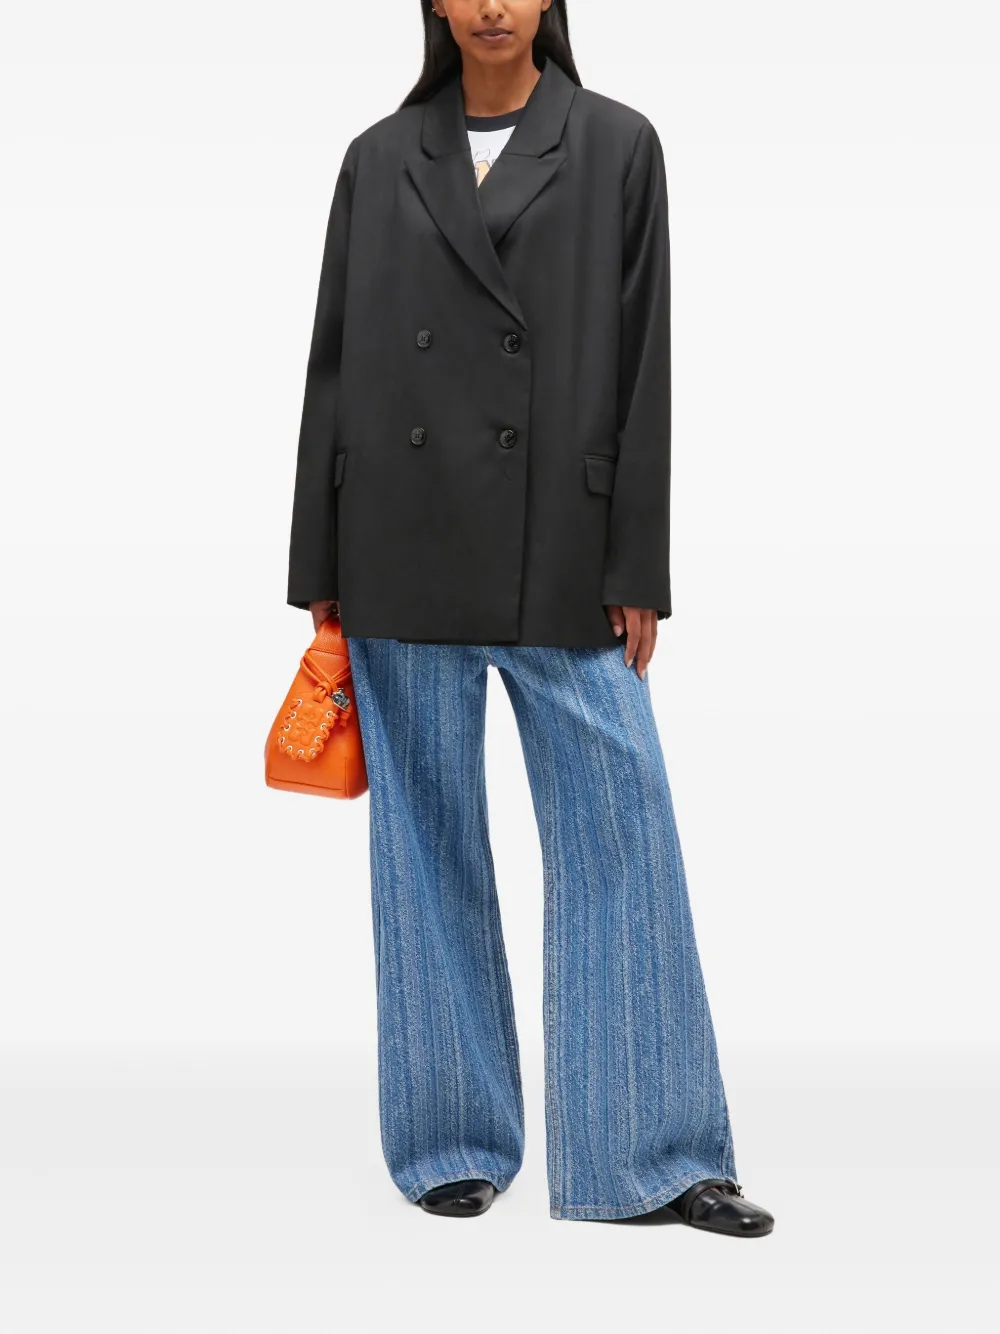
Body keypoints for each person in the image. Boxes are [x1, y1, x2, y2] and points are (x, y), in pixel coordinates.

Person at [284, 0, 774, 1236]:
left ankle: (653, 1153)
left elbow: (647, 356)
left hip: (563, 536)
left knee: (622, 829)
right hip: (397, 533)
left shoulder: (615, 142)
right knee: (425, 845)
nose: (492, 4)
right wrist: (318, 558)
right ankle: (450, 1139)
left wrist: (638, 559)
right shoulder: (379, 155)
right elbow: (333, 359)